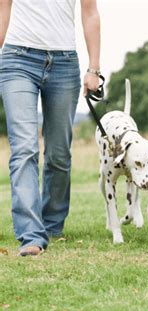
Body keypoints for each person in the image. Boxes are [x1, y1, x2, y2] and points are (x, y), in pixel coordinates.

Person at [0, 0, 101, 256]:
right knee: (24, 149)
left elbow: (90, 13)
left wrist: (94, 68)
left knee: (59, 154)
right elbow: (3, 9)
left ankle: (52, 225)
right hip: (17, 59)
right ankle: (31, 234)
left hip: (64, 63)